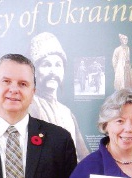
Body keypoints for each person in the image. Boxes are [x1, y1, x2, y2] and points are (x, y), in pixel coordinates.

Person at [28, 32, 89, 161]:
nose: (53, 71)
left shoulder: (67, 113)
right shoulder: (28, 107)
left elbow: (84, 158)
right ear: (34, 71)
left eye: (58, 65)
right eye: (46, 65)